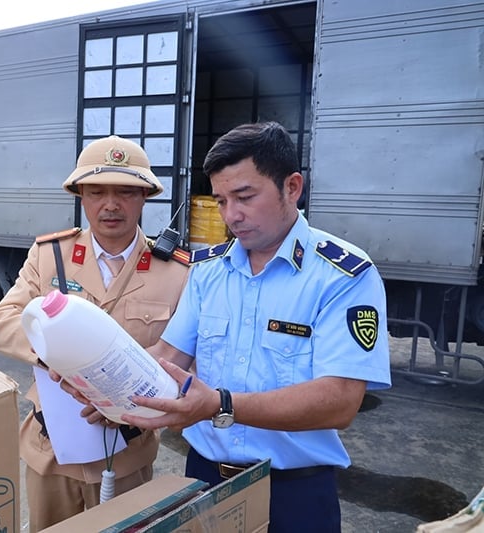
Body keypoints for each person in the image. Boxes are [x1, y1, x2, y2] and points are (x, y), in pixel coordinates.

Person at [117, 122, 392, 532]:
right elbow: (168, 357)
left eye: (245, 197)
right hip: (202, 481)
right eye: (222, 200)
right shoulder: (208, 270)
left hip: (294, 493)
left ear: (292, 187)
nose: (231, 216)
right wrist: (100, 376)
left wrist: (221, 404)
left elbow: (340, 400)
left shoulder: (342, 276)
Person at [0, 135, 190, 531]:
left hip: (128, 451)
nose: (110, 204)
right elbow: (2, 320)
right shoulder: (50, 256)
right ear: (81, 195)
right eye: (97, 191)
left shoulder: (177, 273)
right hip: (51, 452)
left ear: (145, 197)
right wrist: (58, 353)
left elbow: (184, 359)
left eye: (126, 193)